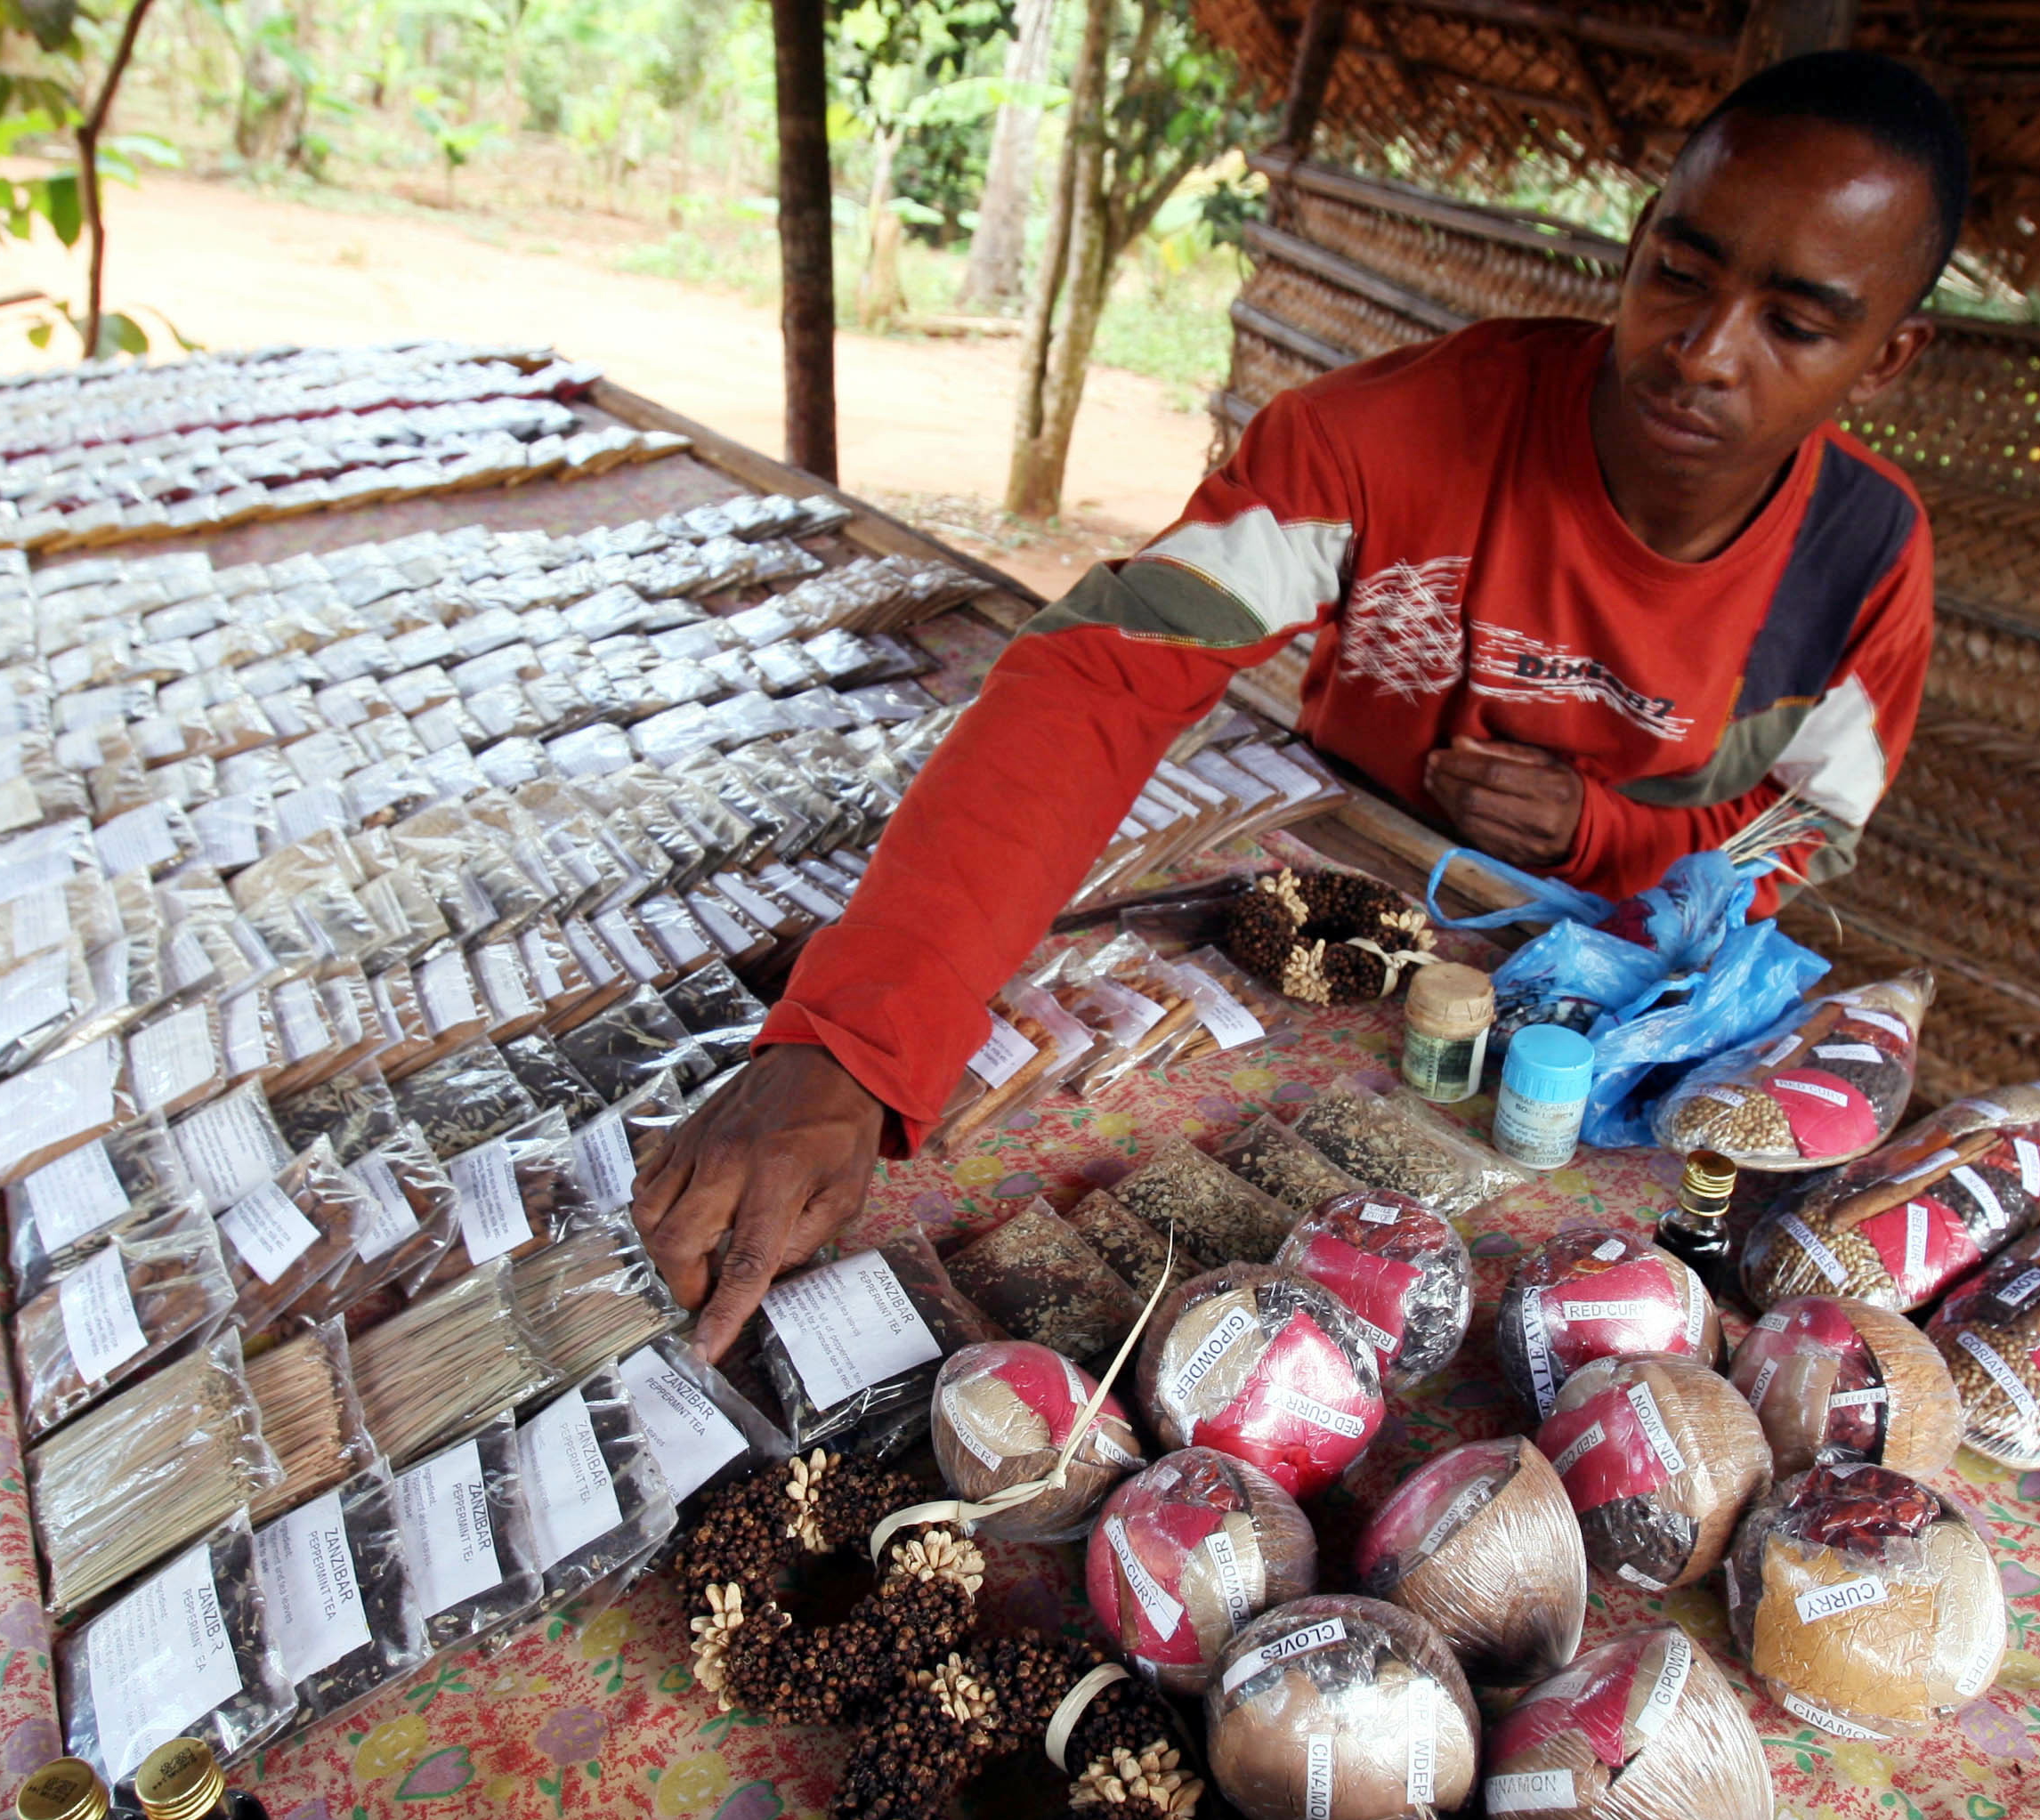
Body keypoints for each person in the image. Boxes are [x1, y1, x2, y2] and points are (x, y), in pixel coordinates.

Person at [639, 49, 1971, 1355]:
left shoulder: (1862, 553)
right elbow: (1104, 673)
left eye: (1794, 323)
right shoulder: (1382, 440)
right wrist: (854, 1046)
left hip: (1601, 1009)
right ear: (1635, 243)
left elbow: (1806, 837)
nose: (1704, 351)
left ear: (1891, 354)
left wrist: (1599, 836)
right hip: (1330, 915)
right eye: (1680, 272)